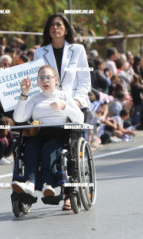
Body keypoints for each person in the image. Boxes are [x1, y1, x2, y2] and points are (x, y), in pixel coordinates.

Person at [33, 12, 91, 210]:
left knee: (73, 149)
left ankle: (70, 192)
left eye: (59, 24)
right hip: (51, 108)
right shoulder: (40, 53)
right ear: (48, 30)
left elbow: (84, 81)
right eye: (52, 25)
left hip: (75, 105)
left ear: (66, 29)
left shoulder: (77, 50)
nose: (55, 28)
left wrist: (74, 102)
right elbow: (38, 81)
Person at [12, 65, 84, 198]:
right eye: (41, 78)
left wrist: (64, 107)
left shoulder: (64, 96)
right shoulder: (34, 98)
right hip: (39, 133)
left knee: (49, 149)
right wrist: (24, 94)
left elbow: (80, 119)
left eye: (48, 78)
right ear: (38, 82)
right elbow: (18, 117)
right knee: (30, 149)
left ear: (55, 80)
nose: (45, 81)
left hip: (59, 133)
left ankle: (48, 184)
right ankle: (30, 183)